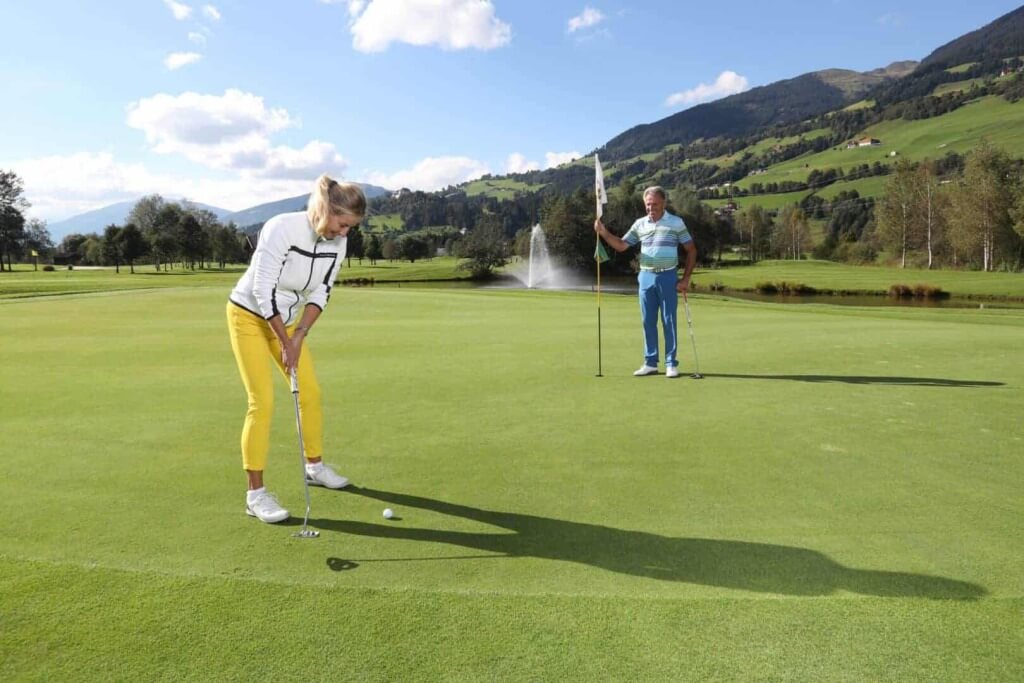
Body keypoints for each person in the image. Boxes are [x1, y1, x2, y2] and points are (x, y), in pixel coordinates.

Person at [226, 174, 366, 523]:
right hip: (248, 315)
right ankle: (255, 495)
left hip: (287, 322)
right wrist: (284, 341)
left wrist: (299, 335)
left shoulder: (338, 242)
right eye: (342, 223)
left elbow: (321, 292)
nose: (345, 232)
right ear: (326, 210)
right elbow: (263, 290)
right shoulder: (281, 228)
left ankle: (314, 467)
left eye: (350, 227)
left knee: (310, 392)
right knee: (262, 401)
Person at [594, 186, 697, 378]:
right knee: (647, 321)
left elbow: (691, 250)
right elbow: (622, 245)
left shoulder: (676, 222)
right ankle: (650, 362)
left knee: (669, 321)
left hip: (667, 276)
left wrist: (685, 279)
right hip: (646, 276)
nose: (651, 208)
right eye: (648, 204)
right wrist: (603, 232)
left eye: (655, 204)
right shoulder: (640, 224)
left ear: (664, 203)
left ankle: (671, 363)